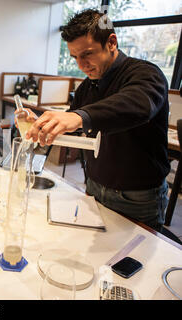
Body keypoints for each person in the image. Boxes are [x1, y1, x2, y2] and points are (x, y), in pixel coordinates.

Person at [21, 9, 170, 231]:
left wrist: (79, 116)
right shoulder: (88, 86)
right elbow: (72, 129)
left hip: (137, 197)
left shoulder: (146, 74)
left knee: (132, 258)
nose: (81, 65)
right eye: (74, 57)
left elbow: (134, 105)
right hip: (94, 186)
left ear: (111, 42)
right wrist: (42, 123)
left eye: (87, 54)